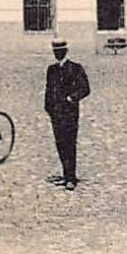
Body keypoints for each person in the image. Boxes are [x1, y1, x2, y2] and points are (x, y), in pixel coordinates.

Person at [44, 39, 91, 190]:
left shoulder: (76, 68)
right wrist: (48, 108)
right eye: (55, 51)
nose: (57, 54)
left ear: (65, 51)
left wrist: (72, 98)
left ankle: (71, 177)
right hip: (56, 114)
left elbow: (85, 89)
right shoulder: (51, 70)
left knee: (70, 144)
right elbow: (48, 90)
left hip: (70, 113)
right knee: (60, 144)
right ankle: (66, 174)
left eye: (60, 51)